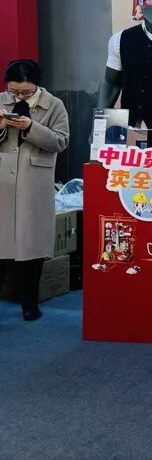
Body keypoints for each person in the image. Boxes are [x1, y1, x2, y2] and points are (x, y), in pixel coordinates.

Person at [0, 59, 70, 321]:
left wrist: (31, 127)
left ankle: (30, 303)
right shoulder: (1, 101)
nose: (18, 96)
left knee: (31, 246)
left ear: (37, 85)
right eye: (13, 91)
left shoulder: (54, 105)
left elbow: (61, 141)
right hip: (2, 181)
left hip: (34, 182)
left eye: (25, 92)